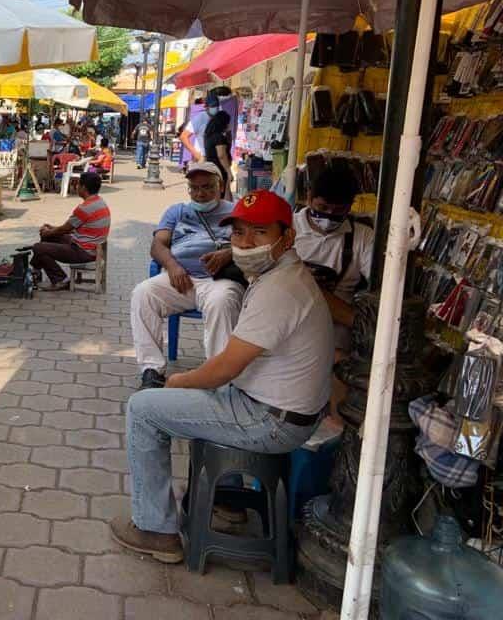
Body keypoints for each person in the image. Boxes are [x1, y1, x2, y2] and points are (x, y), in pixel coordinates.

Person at [112, 189, 334, 564]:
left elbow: (225, 368)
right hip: (274, 407)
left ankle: (155, 530)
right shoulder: (281, 273)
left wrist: (181, 381)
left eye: (260, 233)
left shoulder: (280, 288)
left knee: (143, 408)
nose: (246, 243)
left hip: (270, 420)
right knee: (194, 398)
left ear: (287, 237)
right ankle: (225, 501)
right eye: (239, 233)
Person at [131, 162, 244, 390]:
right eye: (194, 188)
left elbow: (254, 245)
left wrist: (229, 253)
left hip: (218, 280)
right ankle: (151, 370)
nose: (200, 194)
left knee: (222, 301)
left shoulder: (237, 211)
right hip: (181, 280)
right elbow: (158, 245)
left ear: (220, 187)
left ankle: (218, 375)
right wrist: (172, 266)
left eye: (207, 187)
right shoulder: (177, 211)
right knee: (143, 293)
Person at [294, 165, 374, 360]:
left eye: (339, 210)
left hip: (336, 325)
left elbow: (380, 280)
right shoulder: (286, 227)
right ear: (309, 197)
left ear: (351, 206)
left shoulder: (362, 237)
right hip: (290, 315)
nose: (329, 215)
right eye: (322, 207)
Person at [31, 171, 110, 291]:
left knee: (38, 248)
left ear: (83, 187)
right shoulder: (99, 202)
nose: (76, 187)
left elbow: (65, 229)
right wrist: (51, 229)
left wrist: (48, 231)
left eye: (78, 184)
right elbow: (70, 227)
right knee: (47, 238)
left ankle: (60, 279)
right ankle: (36, 270)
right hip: (90, 246)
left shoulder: (85, 208)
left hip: (84, 251)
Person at [203, 107, 234, 198]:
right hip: (220, 169)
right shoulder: (219, 138)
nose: (229, 125)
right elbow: (221, 155)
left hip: (212, 167)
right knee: (224, 191)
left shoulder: (209, 136)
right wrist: (228, 171)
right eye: (228, 123)